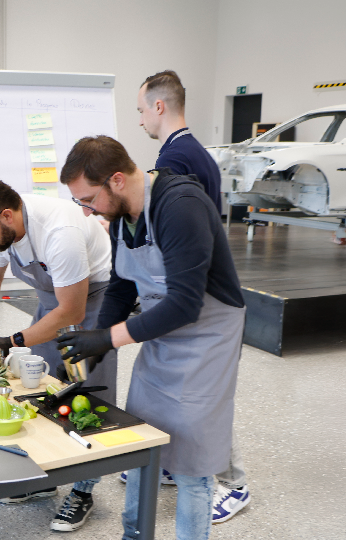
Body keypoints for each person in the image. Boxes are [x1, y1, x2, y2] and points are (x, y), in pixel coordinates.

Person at [57, 135, 245, 540]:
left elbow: (185, 305)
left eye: (88, 199)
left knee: (192, 463)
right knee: (142, 447)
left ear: (118, 180)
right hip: (162, 333)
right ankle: (134, 535)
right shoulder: (121, 217)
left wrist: (108, 339)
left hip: (206, 338)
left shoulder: (181, 207)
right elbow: (123, 285)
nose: (86, 211)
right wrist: (93, 339)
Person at [0, 179, 114, 530]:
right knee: (39, 385)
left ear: (6, 216)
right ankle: (46, 477)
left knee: (86, 398)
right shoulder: (0, 226)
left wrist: (12, 340)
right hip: (53, 301)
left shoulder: (60, 231)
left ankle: (84, 490)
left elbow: (72, 312)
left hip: (92, 301)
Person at [138, 70, 251, 523]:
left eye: (142, 109)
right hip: (198, 294)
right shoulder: (193, 152)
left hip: (204, 305)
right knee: (187, 400)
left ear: (159, 107)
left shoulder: (177, 160)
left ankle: (234, 482)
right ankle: (177, 464)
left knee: (205, 403)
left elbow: (180, 240)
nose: (141, 119)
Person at [137, 70, 222, 212]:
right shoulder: (201, 153)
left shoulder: (172, 160)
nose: (140, 122)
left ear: (159, 107)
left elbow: (170, 221)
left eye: (141, 111)